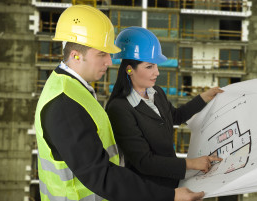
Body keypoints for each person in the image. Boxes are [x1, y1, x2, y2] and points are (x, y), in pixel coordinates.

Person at [34, 5, 205, 201]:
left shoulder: (72, 89)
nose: (110, 61)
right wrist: (169, 196)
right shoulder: (65, 105)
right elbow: (101, 175)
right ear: (75, 55)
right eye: (102, 54)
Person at [106, 27, 223, 189]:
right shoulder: (119, 109)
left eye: (156, 66)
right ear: (129, 69)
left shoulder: (156, 93)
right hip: (148, 191)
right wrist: (192, 164)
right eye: (149, 67)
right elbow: (144, 162)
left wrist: (205, 97)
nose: (157, 72)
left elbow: (175, 116)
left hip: (171, 183)